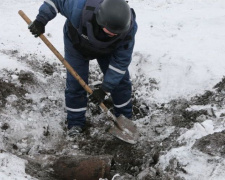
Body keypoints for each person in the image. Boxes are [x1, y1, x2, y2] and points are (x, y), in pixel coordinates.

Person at [29, 0, 138, 137]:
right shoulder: (78, 8)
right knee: (76, 84)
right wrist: (41, 20)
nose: (113, 34)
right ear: (100, 20)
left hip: (108, 50)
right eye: (110, 31)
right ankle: (76, 124)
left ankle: (125, 120)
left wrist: (104, 89)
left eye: (117, 32)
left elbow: (120, 63)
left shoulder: (128, 30)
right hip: (77, 45)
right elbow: (56, 2)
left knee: (120, 83)